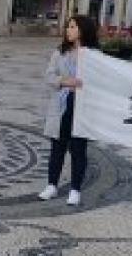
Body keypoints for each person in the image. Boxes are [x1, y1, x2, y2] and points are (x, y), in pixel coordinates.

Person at [38, 14, 100, 207]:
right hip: (61, 106)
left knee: (78, 149)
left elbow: (101, 82)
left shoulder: (94, 55)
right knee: (57, 147)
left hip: (82, 107)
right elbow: (49, 76)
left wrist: (84, 85)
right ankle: (52, 185)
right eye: (68, 27)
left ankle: (75, 189)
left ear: (83, 30)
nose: (68, 30)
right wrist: (66, 81)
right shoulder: (59, 53)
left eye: (73, 27)